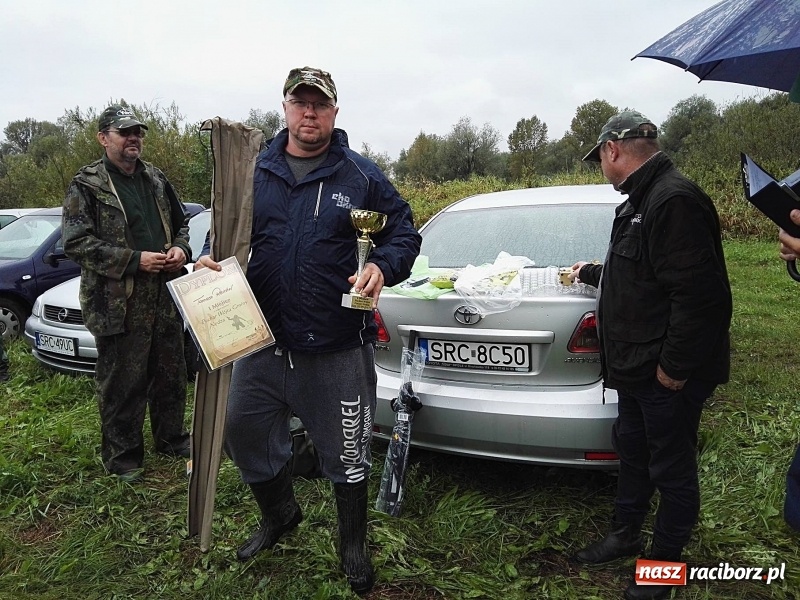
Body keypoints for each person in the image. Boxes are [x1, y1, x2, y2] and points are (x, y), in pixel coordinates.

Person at [195, 66, 421, 595]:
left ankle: (353, 547)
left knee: (346, 450)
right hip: (260, 343)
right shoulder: (253, 173)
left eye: (319, 103)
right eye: (300, 102)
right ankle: (279, 516)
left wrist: (383, 265)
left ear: (335, 112)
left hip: (335, 346)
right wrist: (212, 263)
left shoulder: (361, 176)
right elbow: (224, 237)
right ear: (286, 108)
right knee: (243, 434)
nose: (309, 112)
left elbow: (404, 231)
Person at [569, 111, 732, 600]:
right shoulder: (640, 200)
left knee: (672, 467)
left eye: (599, 156)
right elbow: (645, 275)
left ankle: (662, 570)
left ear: (613, 149)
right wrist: (595, 272)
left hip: (664, 374)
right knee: (634, 454)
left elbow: (702, 298)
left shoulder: (673, 199)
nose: (601, 164)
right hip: (636, 369)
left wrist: (674, 371)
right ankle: (625, 534)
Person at [62, 104, 192, 483]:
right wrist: (134, 260)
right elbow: (76, 242)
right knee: (123, 379)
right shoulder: (87, 184)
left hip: (165, 293)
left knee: (170, 371)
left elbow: (182, 223)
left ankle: (171, 438)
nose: (133, 137)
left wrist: (181, 249)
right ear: (104, 138)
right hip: (119, 299)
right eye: (124, 132)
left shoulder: (155, 177)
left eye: (138, 131)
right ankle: (123, 456)